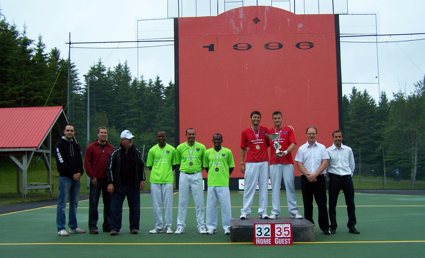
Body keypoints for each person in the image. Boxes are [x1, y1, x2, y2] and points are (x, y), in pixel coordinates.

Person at [107, 130, 146, 235]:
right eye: (128, 139)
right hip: (119, 186)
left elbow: (141, 167)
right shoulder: (115, 153)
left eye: (131, 139)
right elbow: (109, 168)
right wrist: (110, 183)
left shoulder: (136, 152)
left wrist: (142, 179)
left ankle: (134, 227)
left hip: (133, 185)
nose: (131, 141)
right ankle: (114, 228)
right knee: (115, 208)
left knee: (135, 208)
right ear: (122, 140)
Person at [295, 126, 331, 235]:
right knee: (307, 204)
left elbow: (325, 162)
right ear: (306, 135)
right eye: (309, 133)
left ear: (316, 134)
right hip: (306, 179)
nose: (311, 135)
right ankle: (309, 227)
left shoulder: (322, 147)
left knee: (322, 204)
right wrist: (308, 175)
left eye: (313, 133)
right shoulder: (301, 149)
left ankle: (325, 227)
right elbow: (299, 164)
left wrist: (315, 174)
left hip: (319, 179)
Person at [267, 111, 302, 219]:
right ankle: (274, 212)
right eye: (275, 118)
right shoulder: (270, 131)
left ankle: (293, 211)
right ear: (273, 120)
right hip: (274, 163)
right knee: (275, 188)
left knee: (290, 187)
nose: (277, 120)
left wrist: (285, 152)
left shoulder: (288, 130)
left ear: (282, 119)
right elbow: (266, 144)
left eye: (278, 118)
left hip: (287, 163)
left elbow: (293, 144)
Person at [54, 124, 86, 236]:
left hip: (76, 179)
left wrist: (80, 172)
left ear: (74, 132)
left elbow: (79, 161)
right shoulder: (59, 145)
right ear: (64, 132)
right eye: (67, 130)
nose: (70, 132)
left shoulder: (76, 146)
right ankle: (61, 228)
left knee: (74, 203)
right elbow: (61, 162)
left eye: (72, 130)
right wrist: (72, 173)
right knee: (62, 203)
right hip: (65, 178)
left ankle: (73, 227)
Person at [174, 128, 207, 234]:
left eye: (193, 134)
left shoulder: (202, 147)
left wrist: (196, 171)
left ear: (195, 135)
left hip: (197, 175)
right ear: (186, 135)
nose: (191, 136)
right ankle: (180, 226)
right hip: (184, 175)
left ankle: (201, 225)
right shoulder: (180, 148)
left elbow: (204, 162)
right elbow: (178, 162)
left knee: (199, 202)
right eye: (189, 134)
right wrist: (186, 170)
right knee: (182, 201)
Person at [327, 129, 360, 234]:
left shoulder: (348, 150)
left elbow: (352, 164)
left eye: (339, 137)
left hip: (346, 177)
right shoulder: (328, 151)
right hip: (334, 178)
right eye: (336, 137)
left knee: (350, 203)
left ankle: (352, 226)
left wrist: (349, 174)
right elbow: (326, 166)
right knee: (332, 204)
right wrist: (330, 177)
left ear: (342, 138)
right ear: (333, 138)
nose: (338, 138)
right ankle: (333, 226)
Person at [84, 127, 114, 234]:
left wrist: (111, 181)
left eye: (105, 133)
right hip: (95, 180)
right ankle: (93, 226)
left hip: (107, 181)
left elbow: (113, 165)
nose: (103, 134)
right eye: (101, 132)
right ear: (98, 134)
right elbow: (87, 163)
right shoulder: (91, 147)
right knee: (93, 204)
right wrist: (92, 176)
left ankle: (108, 225)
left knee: (109, 204)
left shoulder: (111, 148)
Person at [146, 131, 178, 234]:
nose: (161, 138)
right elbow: (150, 165)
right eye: (159, 136)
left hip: (168, 180)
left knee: (168, 204)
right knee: (156, 204)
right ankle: (158, 226)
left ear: (166, 137)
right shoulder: (152, 150)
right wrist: (157, 173)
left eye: (163, 136)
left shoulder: (172, 150)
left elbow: (174, 165)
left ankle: (168, 226)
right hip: (155, 180)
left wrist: (166, 173)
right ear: (157, 138)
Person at [240, 111, 270, 220]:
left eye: (258, 117)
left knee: (264, 187)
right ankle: (245, 212)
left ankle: (263, 211)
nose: (256, 119)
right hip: (251, 163)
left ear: (260, 119)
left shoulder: (265, 130)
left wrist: (288, 128)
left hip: (264, 162)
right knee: (249, 187)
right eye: (254, 117)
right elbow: (242, 148)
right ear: (251, 118)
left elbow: (273, 139)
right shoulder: (245, 132)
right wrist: (242, 163)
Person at [203, 133, 235, 235]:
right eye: (215, 140)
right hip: (212, 183)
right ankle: (211, 227)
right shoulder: (207, 153)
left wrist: (224, 175)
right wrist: (213, 175)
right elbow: (207, 167)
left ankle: (227, 227)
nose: (217, 141)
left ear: (222, 140)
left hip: (223, 183)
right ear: (212, 140)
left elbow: (231, 167)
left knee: (226, 207)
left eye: (219, 140)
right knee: (210, 206)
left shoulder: (228, 152)